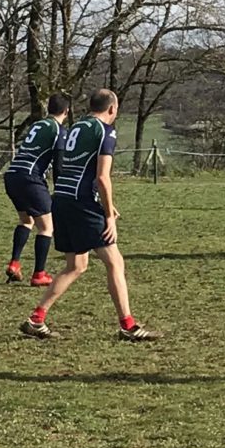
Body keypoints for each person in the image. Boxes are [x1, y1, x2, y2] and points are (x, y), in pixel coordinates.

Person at [19, 89, 160, 341]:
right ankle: (127, 325)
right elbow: (102, 178)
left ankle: (36, 319)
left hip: (61, 198)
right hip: (81, 202)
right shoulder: (105, 132)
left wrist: (106, 205)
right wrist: (107, 215)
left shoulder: (77, 126)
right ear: (112, 109)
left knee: (76, 265)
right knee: (115, 262)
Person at [3, 93, 70, 287]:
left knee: (26, 220)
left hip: (12, 175)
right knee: (47, 227)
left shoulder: (37, 125)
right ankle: (39, 274)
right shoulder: (59, 130)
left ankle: (14, 263)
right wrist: (60, 192)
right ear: (66, 111)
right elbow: (58, 166)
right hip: (29, 178)